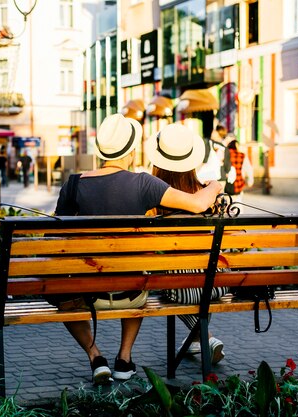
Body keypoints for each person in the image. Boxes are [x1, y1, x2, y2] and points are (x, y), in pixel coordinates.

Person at [53, 113, 222, 385]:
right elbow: (198, 204)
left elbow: (59, 240)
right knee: (139, 274)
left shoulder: (73, 185)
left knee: (62, 295)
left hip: (86, 292)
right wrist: (214, 185)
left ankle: (95, 357)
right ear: (131, 151)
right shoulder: (144, 183)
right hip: (131, 292)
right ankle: (124, 358)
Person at [146, 122, 229, 365]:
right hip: (217, 283)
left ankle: (206, 339)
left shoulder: (154, 198)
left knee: (174, 281)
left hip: (179, 288)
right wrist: (215, 185)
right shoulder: (206, 196)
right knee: (204, 272)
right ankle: (196, 341)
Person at [225, 137, 254, 206]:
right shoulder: (242, 155)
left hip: (226, 183)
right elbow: (249, 169)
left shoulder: (225, 154)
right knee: (238, 203)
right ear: (236, 146)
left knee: (227, 203)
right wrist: (250, 181)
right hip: (238, 182)